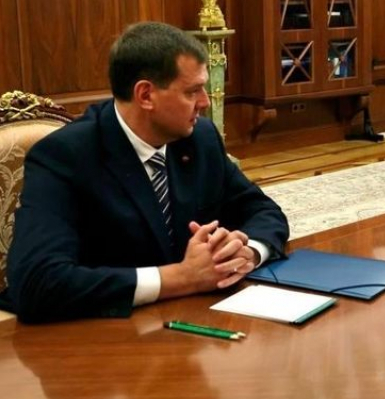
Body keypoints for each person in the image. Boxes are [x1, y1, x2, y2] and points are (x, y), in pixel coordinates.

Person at [4, 22, 289, 322]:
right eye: (192, 91)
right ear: (145, 95)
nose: (205, 102)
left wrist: (247, 252)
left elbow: (264, 211)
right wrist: (180, 277)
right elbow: (37, 283)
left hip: (193, 321)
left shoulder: (200, 138)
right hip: (104, 333)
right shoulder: (65, 156)